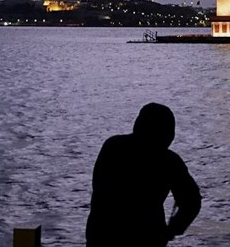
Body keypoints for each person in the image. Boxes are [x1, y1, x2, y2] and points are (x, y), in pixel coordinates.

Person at [86, 103, 201, 247]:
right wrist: (173, 228)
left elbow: (100, 188)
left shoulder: (112, 146)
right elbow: (192, 201)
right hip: (148, 238)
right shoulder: (170, 162)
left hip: (102, 236)